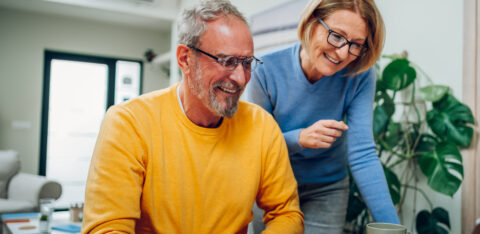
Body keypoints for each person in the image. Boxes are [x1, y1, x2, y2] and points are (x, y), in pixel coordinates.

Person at [81, 0, 304, 233]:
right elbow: (107, 227)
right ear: (185, 59)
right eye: (227, 61)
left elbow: (286, 213)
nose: (240, 78)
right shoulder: (128, 122)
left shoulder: (262, 126)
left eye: (247, 63)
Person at [247, 0, 400, 233]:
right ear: (311, 22)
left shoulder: (359, 75)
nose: (343, 53)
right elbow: (257, 149)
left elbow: (363, 154)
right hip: (273, 186)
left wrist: (393, 227)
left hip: (327, 190)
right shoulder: (265, 71)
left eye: (356, 45)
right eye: (337, 36)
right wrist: (300, 138)